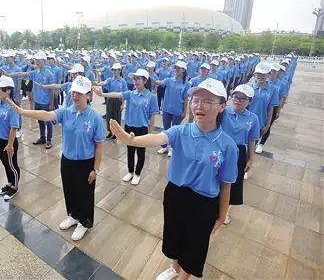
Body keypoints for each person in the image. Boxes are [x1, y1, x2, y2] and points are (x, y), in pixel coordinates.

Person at [109, 78, 238, 280]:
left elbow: (226, 184)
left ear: (222, 106)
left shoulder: (227, 145)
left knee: (195, 244)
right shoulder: (181, 131)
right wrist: (130, 140)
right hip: (176, 194)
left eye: (208, 101)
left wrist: (222, 216)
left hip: (204, 203)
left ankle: (183, 276)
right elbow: (159, 138)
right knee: (174, 234)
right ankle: (173, 269)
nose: (199, 105)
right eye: (196, 100)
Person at [7, 75, 104, 241]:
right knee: (69, 189)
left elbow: (100, 145)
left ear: (88, 95)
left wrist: (95, 169)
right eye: (74, 92)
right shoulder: (66, 112)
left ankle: (84, 222)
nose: (75, 96)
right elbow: (45, 114)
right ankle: (73, 216)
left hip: (86, 163)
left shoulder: (95, 118)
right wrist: (23, 111)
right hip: (67, 160)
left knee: (85, 194)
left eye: (79, 93)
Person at [94, 68, 158, 185]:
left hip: (142, 128)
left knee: (140, 152)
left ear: (145, 80)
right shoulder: (130, 94)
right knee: (130, 150)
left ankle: (137, 174)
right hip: (129, 127)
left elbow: (153, 116)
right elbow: (116, 94)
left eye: (138, 79)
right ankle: (130, 172)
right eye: (134, 79)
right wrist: (102, 94)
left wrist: (150, 131)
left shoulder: (151, 97)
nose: (135, 81)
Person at [221, 84, 260, 221]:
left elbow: (251, 140)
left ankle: (224, 211)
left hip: (239, 153)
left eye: (243, 98)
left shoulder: (253, 118)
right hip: (221, 149)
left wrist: (250, 159)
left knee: (233, 182)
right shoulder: (223, 112)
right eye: (236, 97)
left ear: (250, 101)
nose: (238, 100)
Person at [4, 51, 55, 149]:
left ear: (43, 61)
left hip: (46, 102)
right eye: (36, 60)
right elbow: (22, 73)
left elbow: (52, 89)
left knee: (47, 121)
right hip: (38, 101)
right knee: (40, 120)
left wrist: (51, 102)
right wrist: (11, 75)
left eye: (38, 60)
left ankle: (49, 140)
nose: (36, 62)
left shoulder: (49, 74)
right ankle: (42, 138)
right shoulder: (35, 72)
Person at [155, 61, 190, 157]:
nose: (177, 70)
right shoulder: (169, 80)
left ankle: (172, 148)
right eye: (175, 68)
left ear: (183, 70)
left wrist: (184, 112)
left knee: (174, 131)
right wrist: (151, 77)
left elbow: (186, 99)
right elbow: (160, 83)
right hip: (166, 109)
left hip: (177, 111)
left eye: (179, 68)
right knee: (166, 129)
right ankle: (164, 146)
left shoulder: (186, 84)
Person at [248, 63, 278, 154]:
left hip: (260, 122)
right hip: (247, 120)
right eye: (259, 74)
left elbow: (270, 108)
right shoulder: (249, 88)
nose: (261, 76)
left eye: (264, 74)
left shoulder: (273, 89)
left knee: (251, 147)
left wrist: (268, 125)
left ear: (268, 74)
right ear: (255, 75)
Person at [94, 62, 127, 140]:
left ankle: (116, 133)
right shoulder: (110, 79)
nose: (114, 72)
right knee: (109, 116)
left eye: (116, 70)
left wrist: (123, 104)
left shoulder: (123, 82)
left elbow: (124, 94)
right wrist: (97, 80)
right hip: (110, 100)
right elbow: (103, 83)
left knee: (117, 117)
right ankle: (110, 132)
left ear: (120, 70)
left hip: (118, 101)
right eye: (113, 70)